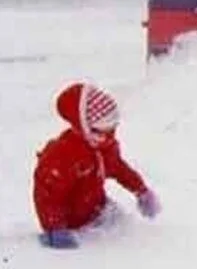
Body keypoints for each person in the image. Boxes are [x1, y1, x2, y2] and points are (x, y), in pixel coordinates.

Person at [33, 82, 160, 250]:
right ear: (84, 127)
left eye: (113, 129)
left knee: (132, 238)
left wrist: (141, 190)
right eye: (104, 130)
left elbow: (118, 168)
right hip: (69, 225)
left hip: (99, 210)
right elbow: (48, 195)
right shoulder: (63, 155)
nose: (110, 136)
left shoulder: (102, 146)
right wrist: (55, 228)